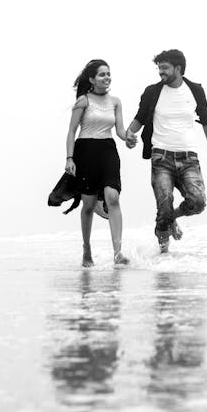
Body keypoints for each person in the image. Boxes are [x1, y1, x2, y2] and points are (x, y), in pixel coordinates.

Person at [125, 49, 207, 253]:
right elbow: (140, 118)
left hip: (189, 158)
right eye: (159, 68)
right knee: (164, 205)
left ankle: (171, 219)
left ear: (178, 68)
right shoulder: (152, 92)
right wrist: (129, 134)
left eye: (165, 68)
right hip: (162, 157)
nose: (161, 72)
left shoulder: (194, 90)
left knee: (198, 202)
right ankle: (164, 257)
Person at [65, 59, 130, 267]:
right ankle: (87, 248)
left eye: (108, 74)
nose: (107, 77)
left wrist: (128, 137)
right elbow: (71, 131)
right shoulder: (83, 101)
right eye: (102, 74)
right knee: (89, 205)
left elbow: (120, 131)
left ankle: (118, 253)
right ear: (92, 79)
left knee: (113, 197)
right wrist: (69, 158)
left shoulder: (116, 102)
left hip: (108, 151)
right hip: (86, 152)